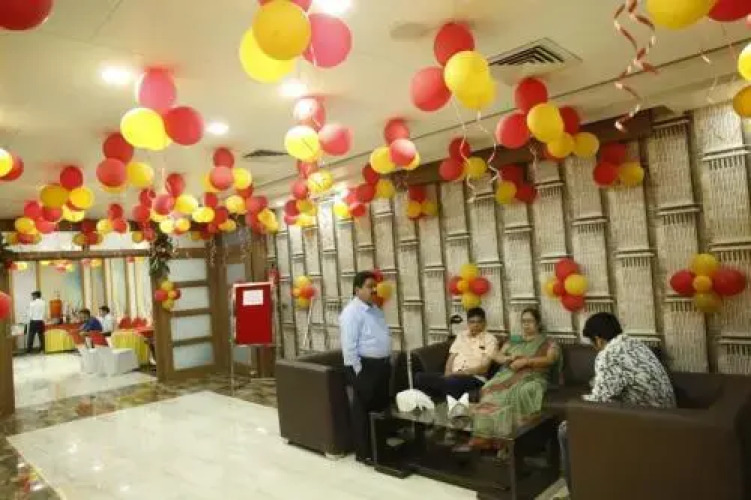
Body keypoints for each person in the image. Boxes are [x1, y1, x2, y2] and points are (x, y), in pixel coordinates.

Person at [558, 312, 675, 498]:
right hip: (669, 417)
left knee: (566, 429)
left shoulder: (607, 354)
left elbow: (598, 402)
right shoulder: (634, 343)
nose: (594, 348)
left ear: (598, 339)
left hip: (646, 423)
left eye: (592, 343)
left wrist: (580, 401)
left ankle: (576, 492)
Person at [466, 307, 559, 450]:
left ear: (538, 323)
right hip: (508, 374)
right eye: (523, 321)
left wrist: (526, 361)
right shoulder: (514, 339)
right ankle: (485, 436)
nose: (526, 325)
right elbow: (497, 355)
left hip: (533, 376)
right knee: (488, 389)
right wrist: (508, 359)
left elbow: (550, 359)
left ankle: (512, 441)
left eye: (530, 321)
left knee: (524, 390)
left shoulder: (548, 342)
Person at [340, 270, 392, 464]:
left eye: (375, 286)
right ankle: (364, 453)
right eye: (370, 286)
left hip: (381, 366)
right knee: (363, 410)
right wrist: (358, 371)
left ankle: (379, 447)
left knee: (380, 407)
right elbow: (349, 347)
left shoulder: (375, 309)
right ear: (357, 289)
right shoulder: (351, 313)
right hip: (364, 367)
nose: (374, 290)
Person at [415, 307, 498, 400]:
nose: (476, 325)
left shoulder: (490, 339)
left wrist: (460, 373)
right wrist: (447, 373)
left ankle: (447, 396)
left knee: (451, 383)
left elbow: (484, 368)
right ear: (468, 323)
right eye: (472, 322)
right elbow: (451, 357)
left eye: (479, 322)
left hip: (474, 378)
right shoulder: (461, 336)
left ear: (484, 323)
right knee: (419, 377)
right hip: (453, 375)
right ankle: (446, 393)